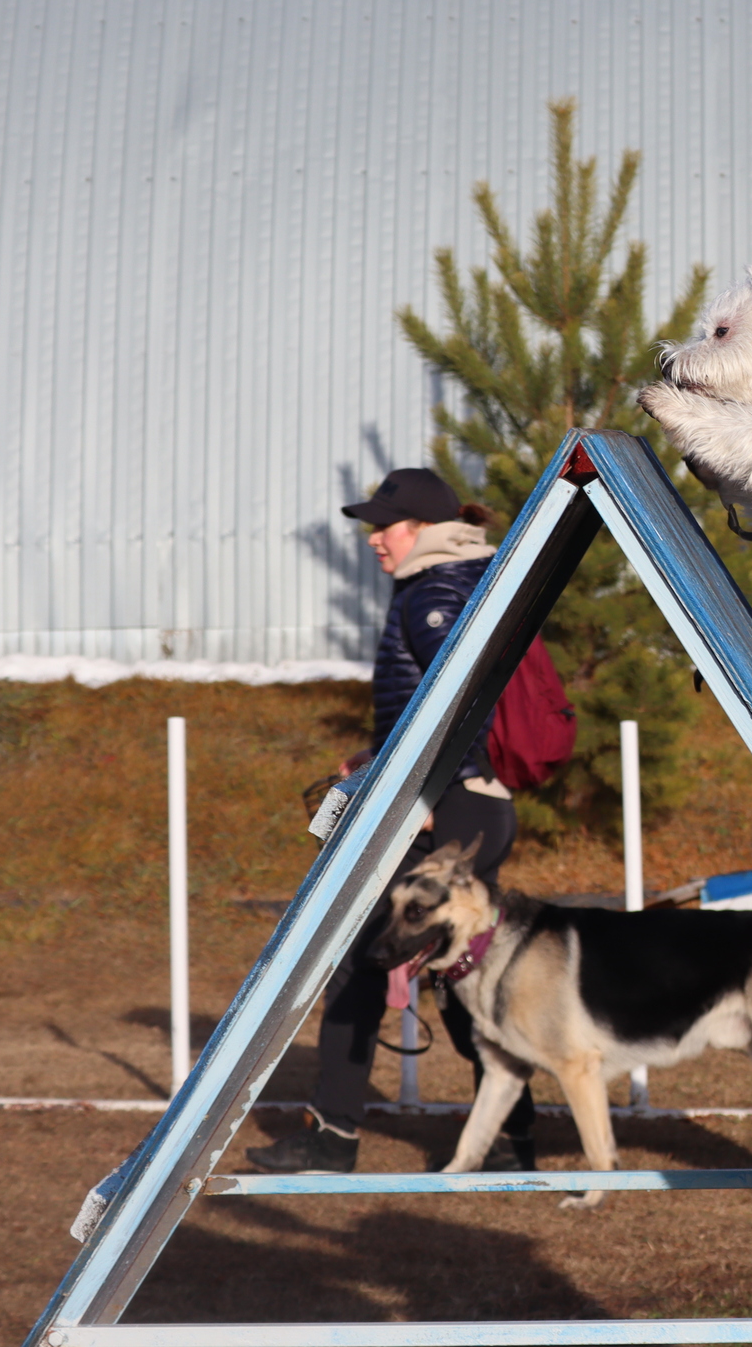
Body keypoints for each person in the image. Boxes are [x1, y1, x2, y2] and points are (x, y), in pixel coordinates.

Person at [246, 468, 535, 1174]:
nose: (375, 540)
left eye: (386, 525)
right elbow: (430, 705)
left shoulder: (435, 590)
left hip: (446, 804)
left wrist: (428, 794)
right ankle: (510, 1135)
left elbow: (462, 701)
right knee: (460, 968)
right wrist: (377, 758)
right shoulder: (454, 578)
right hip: (464, 799)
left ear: (424, 529)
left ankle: (333, 1136)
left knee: (361, 963)